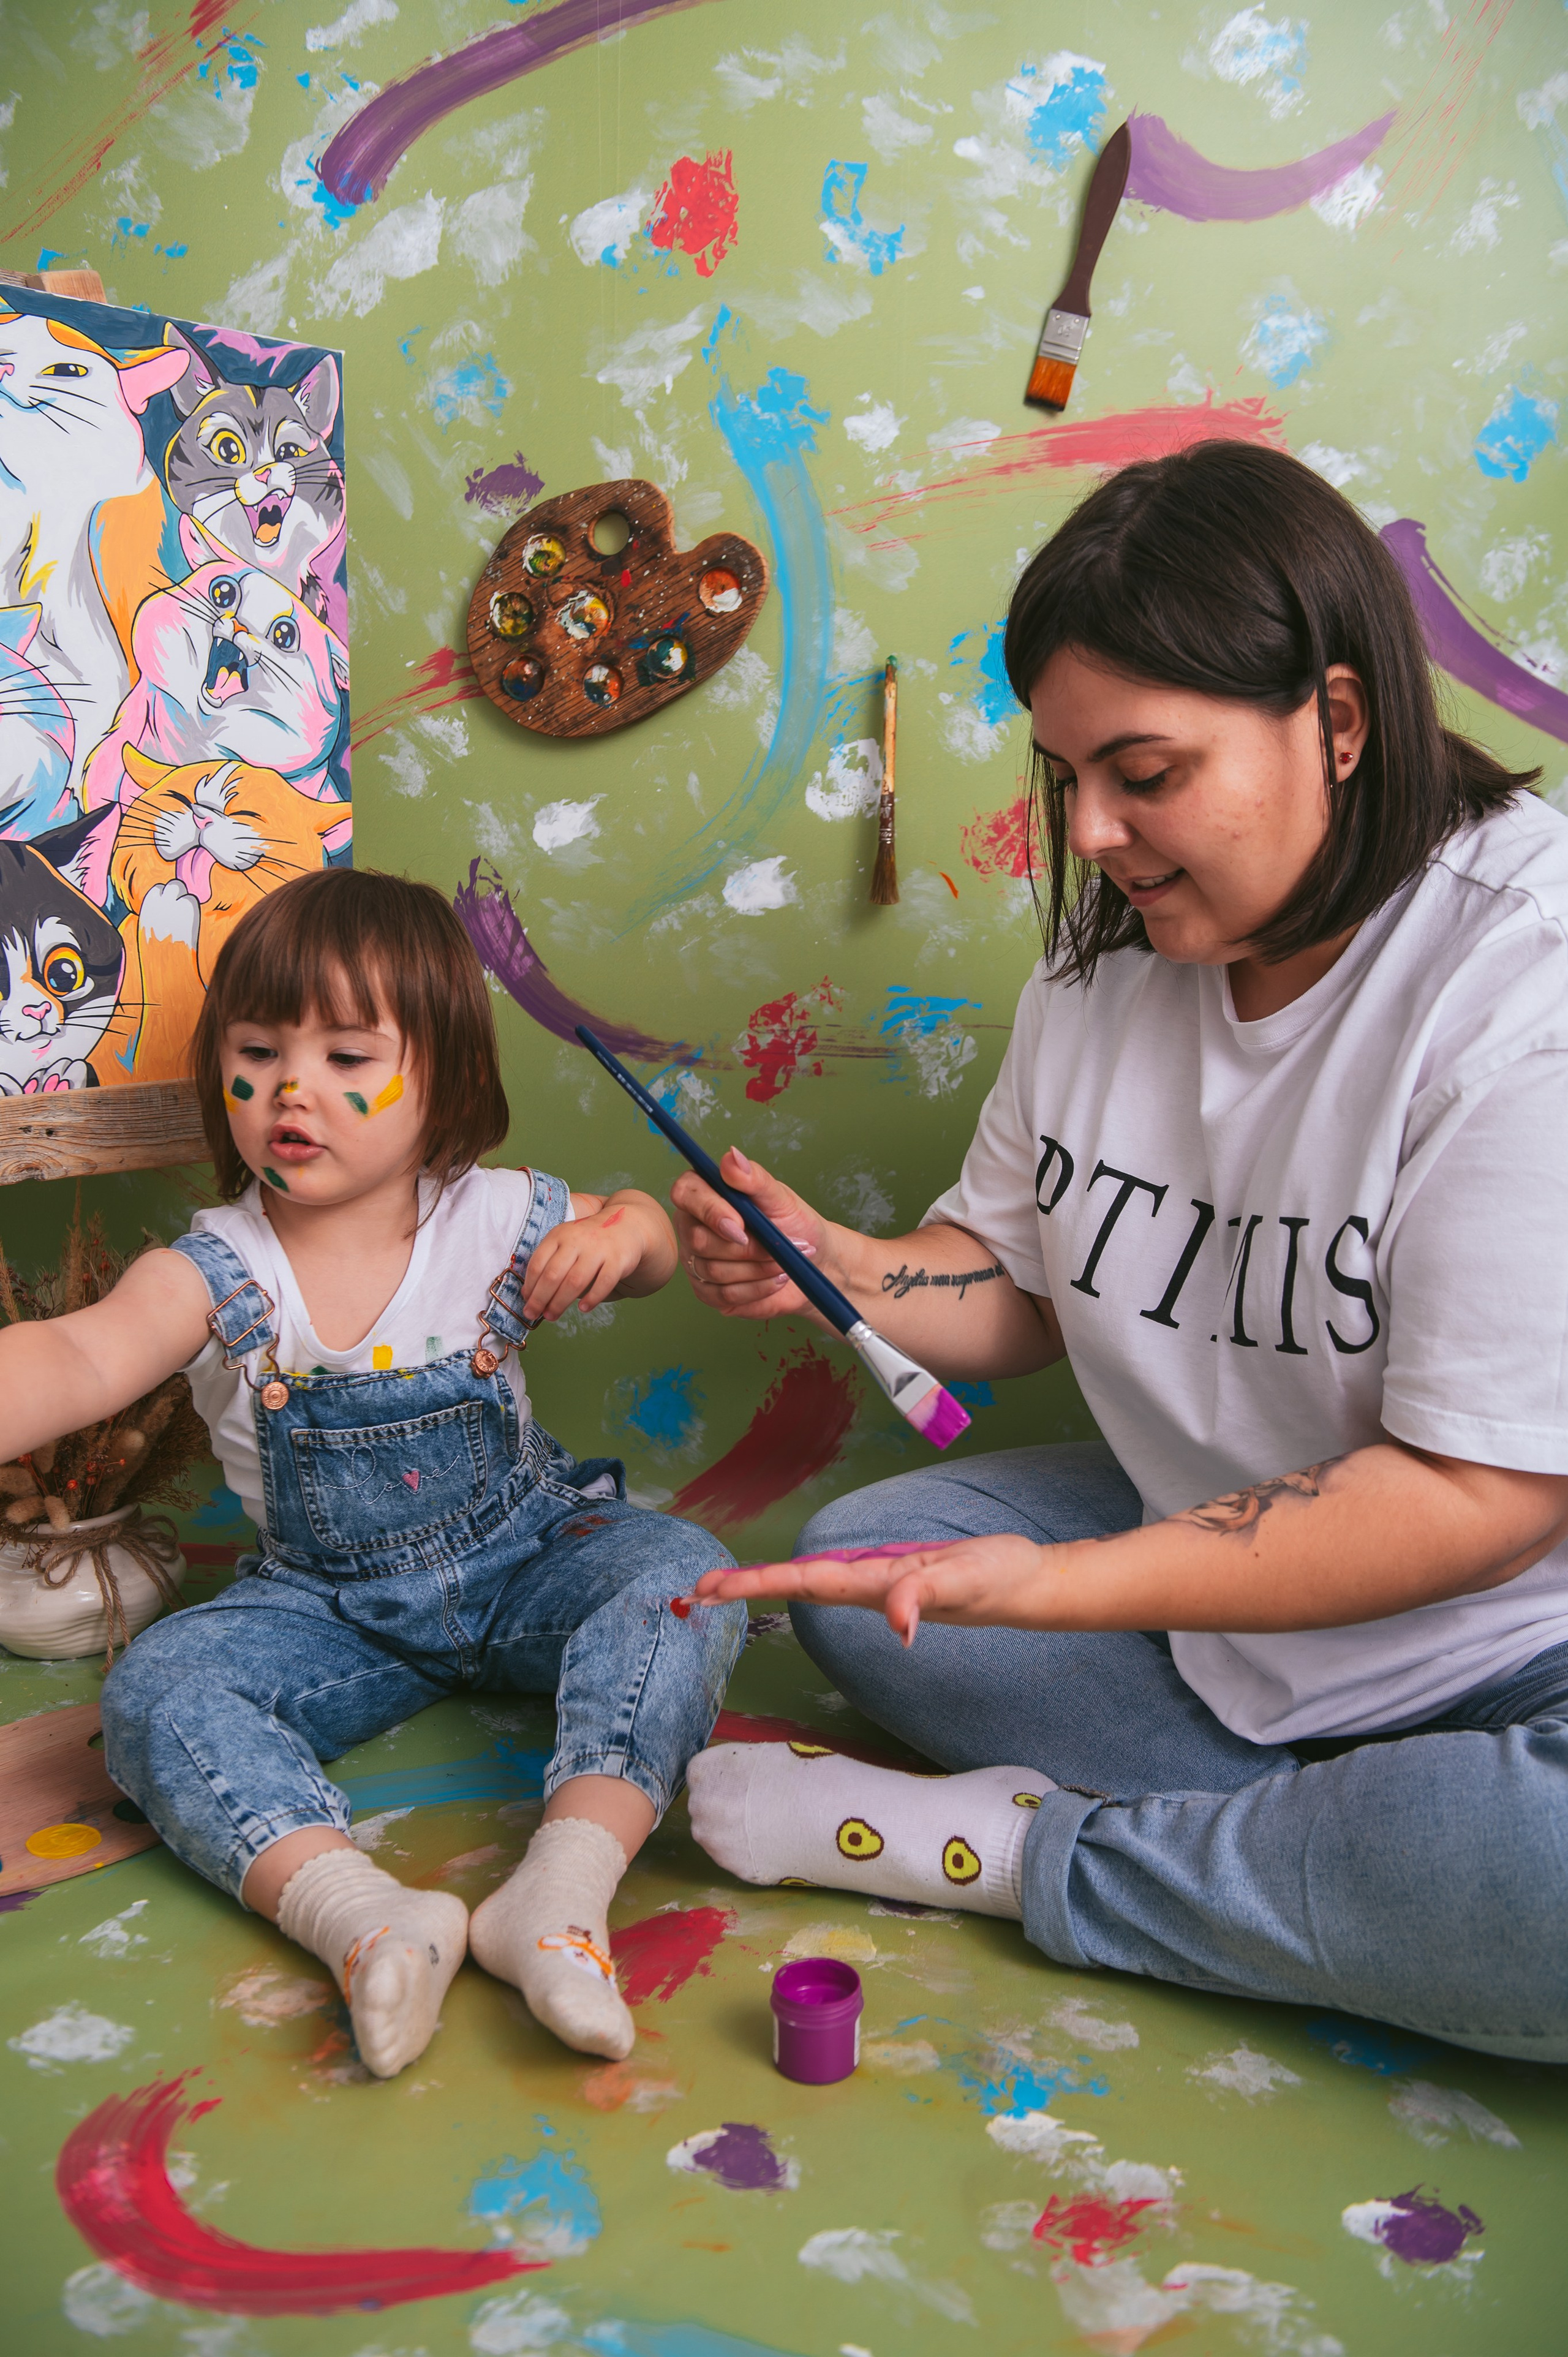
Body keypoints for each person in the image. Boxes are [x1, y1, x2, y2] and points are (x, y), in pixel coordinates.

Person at [673, 441, 1568, 2063]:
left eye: (1145, 775)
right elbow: (1017, 1288)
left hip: (1517, 1635)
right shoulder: (1106, 975)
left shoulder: (1526, 983)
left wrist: (1068, 1588)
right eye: (1068, 774)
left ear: (1343, 724)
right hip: (1223, 1580)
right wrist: (841, 1266)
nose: (1088, 833)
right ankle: (1340, 1865)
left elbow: (1482, 1502)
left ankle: (1014, 1853)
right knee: (881, 1572)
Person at [0, 870, 744, 2078]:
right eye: (259, 1050)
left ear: (442, 1080)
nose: (295, 1088)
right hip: (330, 1612)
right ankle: (361, 1914)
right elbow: (84, 1352)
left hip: (528, 1558)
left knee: (685, 1575)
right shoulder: (219, 1266)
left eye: (351, 1057)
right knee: (155, 1689)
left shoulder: (493, 1217)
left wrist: (621, 1236)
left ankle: (557, 1890)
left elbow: (647, 1234)